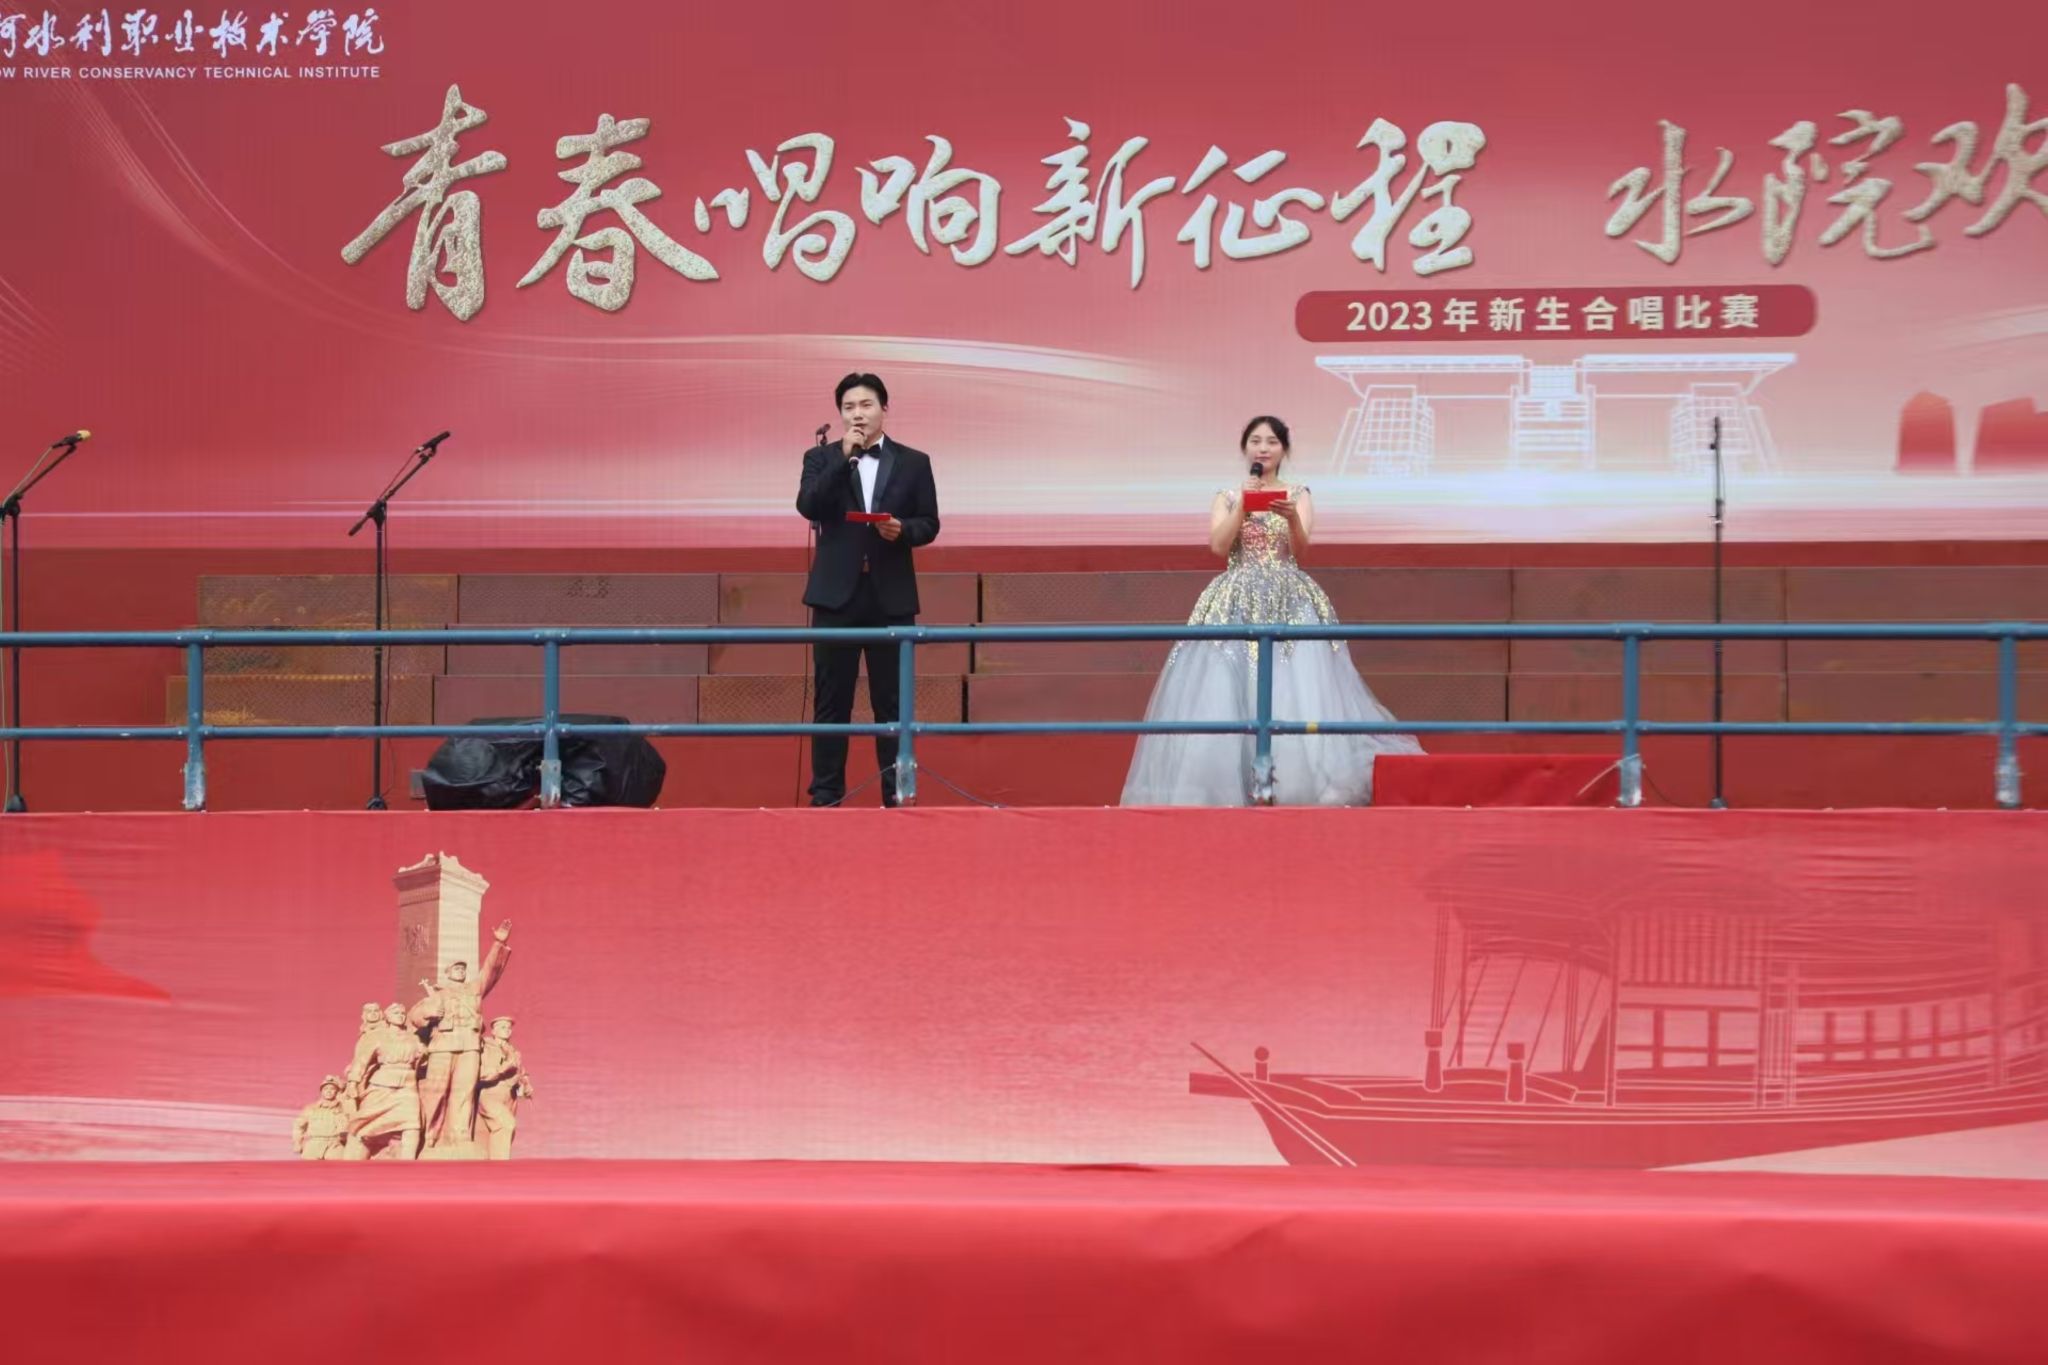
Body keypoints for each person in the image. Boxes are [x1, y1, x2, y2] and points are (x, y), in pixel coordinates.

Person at [1121, 415, 1421, 806]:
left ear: (1284, 449)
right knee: (1224, 690)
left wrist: (1291, 517)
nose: (1263, 449)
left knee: (1295, 688)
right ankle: (1225, 789)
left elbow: (1301, 550)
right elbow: (1218, 546)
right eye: (1256, 441)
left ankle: (1292, 787)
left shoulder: (1299, 494)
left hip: (1288, 598)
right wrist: (1243, 506)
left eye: (1272, 442)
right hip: (1235, 599)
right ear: (1245, 448)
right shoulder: (1227, 496)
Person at [795, 372, 941, 807]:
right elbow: (809, 505)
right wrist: (843, 457)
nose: (857, 414)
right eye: (848, 407)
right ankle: (826, 797)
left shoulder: (914, 461)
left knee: (891, 706)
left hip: (889, 597)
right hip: (835, 597)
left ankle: (896, 798)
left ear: (884, 409)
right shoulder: (820, 458)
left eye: (866, 405)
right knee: (830, 703)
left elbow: (929, 523)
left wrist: (903, 529)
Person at [406, 919, 511, 1154]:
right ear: (447, 973)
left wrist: (498, 944)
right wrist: (429, 1014)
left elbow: (491, 971)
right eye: (456, 968)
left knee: (464, 1091)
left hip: (470, 1045)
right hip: (443, 1045)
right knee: (436, 1090)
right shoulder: (438, 993)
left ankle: (460, 1134)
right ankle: (430, 1135)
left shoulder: (474, 989)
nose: (461, 971)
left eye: (463, 969)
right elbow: (415, 1016)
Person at [345, 1003, 427, 1160]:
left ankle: (408, 1162)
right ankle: (355, 1155)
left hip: (407, 1086)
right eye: (396, 1013)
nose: (400, 1015)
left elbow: (421, 1062)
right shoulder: (376, 1036)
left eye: (403, 1013)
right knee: (364, 1121)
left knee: (412, 1123)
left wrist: (424, 1054)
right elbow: (361, 1061)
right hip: (382, 1085)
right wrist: (353, 1083)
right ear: (387, 1017)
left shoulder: (413, 1038)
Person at [476, 1016, 533, 1161]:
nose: (507, 1030)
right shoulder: (485, 1048)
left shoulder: (514, 1052)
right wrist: (504, 1068)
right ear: (493, 1031)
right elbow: (481, 1074)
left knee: (505, 1133)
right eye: (502, 1027)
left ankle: (497, 1163)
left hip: (509, 1097)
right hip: (490, 1093)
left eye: (509, 1028)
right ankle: (499, 1165)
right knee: (506, 1124)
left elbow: (521, 1073)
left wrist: (525, 1084)